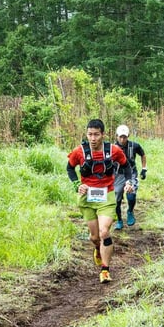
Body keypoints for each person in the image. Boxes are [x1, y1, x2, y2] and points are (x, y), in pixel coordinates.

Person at [66, 119, 134, 284]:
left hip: (107, 195)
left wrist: (128, 182)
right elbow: (70, 168)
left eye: (96, 134)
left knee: (104, 232)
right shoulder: (79, 151)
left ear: (103, 134)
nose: (93, 138)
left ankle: (105, 270)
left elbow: (126, 166)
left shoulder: (113, 150)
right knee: (95, 237)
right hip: (87, 198)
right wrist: (77, 185)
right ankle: (98, 248)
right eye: (90, 134)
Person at [113, 125, 147, 230]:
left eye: (125, 137)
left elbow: (143, 154)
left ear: (128, 136)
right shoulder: (112, 148)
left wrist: (144, 168)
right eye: (120, 137)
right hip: (118, 174)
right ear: (117, 136)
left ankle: (130, 211)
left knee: (131, 194)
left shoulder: (134, 146)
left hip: (131, 173)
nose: (122, 139)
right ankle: (119, 219)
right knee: (116, 198)